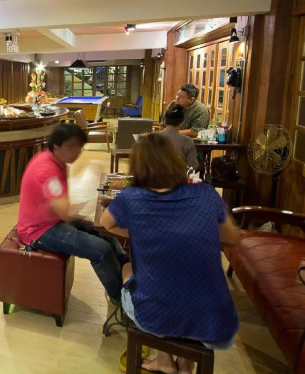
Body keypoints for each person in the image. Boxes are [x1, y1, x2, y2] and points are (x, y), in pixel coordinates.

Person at [100, 133, 239, 374]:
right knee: (189, 284)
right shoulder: (206, 194)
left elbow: (106, 223)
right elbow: (231, 237)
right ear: (175, 161)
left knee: (128, 269)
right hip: (216, 323)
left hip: (155, 317)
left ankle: (165, 361)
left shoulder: (132, 198)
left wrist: (143, 229)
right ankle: (185, 364)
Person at [17, 123, 129, 305]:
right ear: (56, 145)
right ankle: (122, 299)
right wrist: (95, 200)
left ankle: (127, 271)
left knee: (104, 231)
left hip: (53, 221)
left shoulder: (56, 161)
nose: (77, 152)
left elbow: (63, 210)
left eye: (79, 147)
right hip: (39, 231)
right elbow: (65, 212)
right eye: (72, 146)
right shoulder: (46, 170)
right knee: (101, 250)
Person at [159, 105, 198, 170]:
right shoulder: (187, 141)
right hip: (179, 175)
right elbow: (192, 165)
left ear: (165, 122)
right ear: (180, 124)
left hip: (155, 175)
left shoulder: (152, 137)